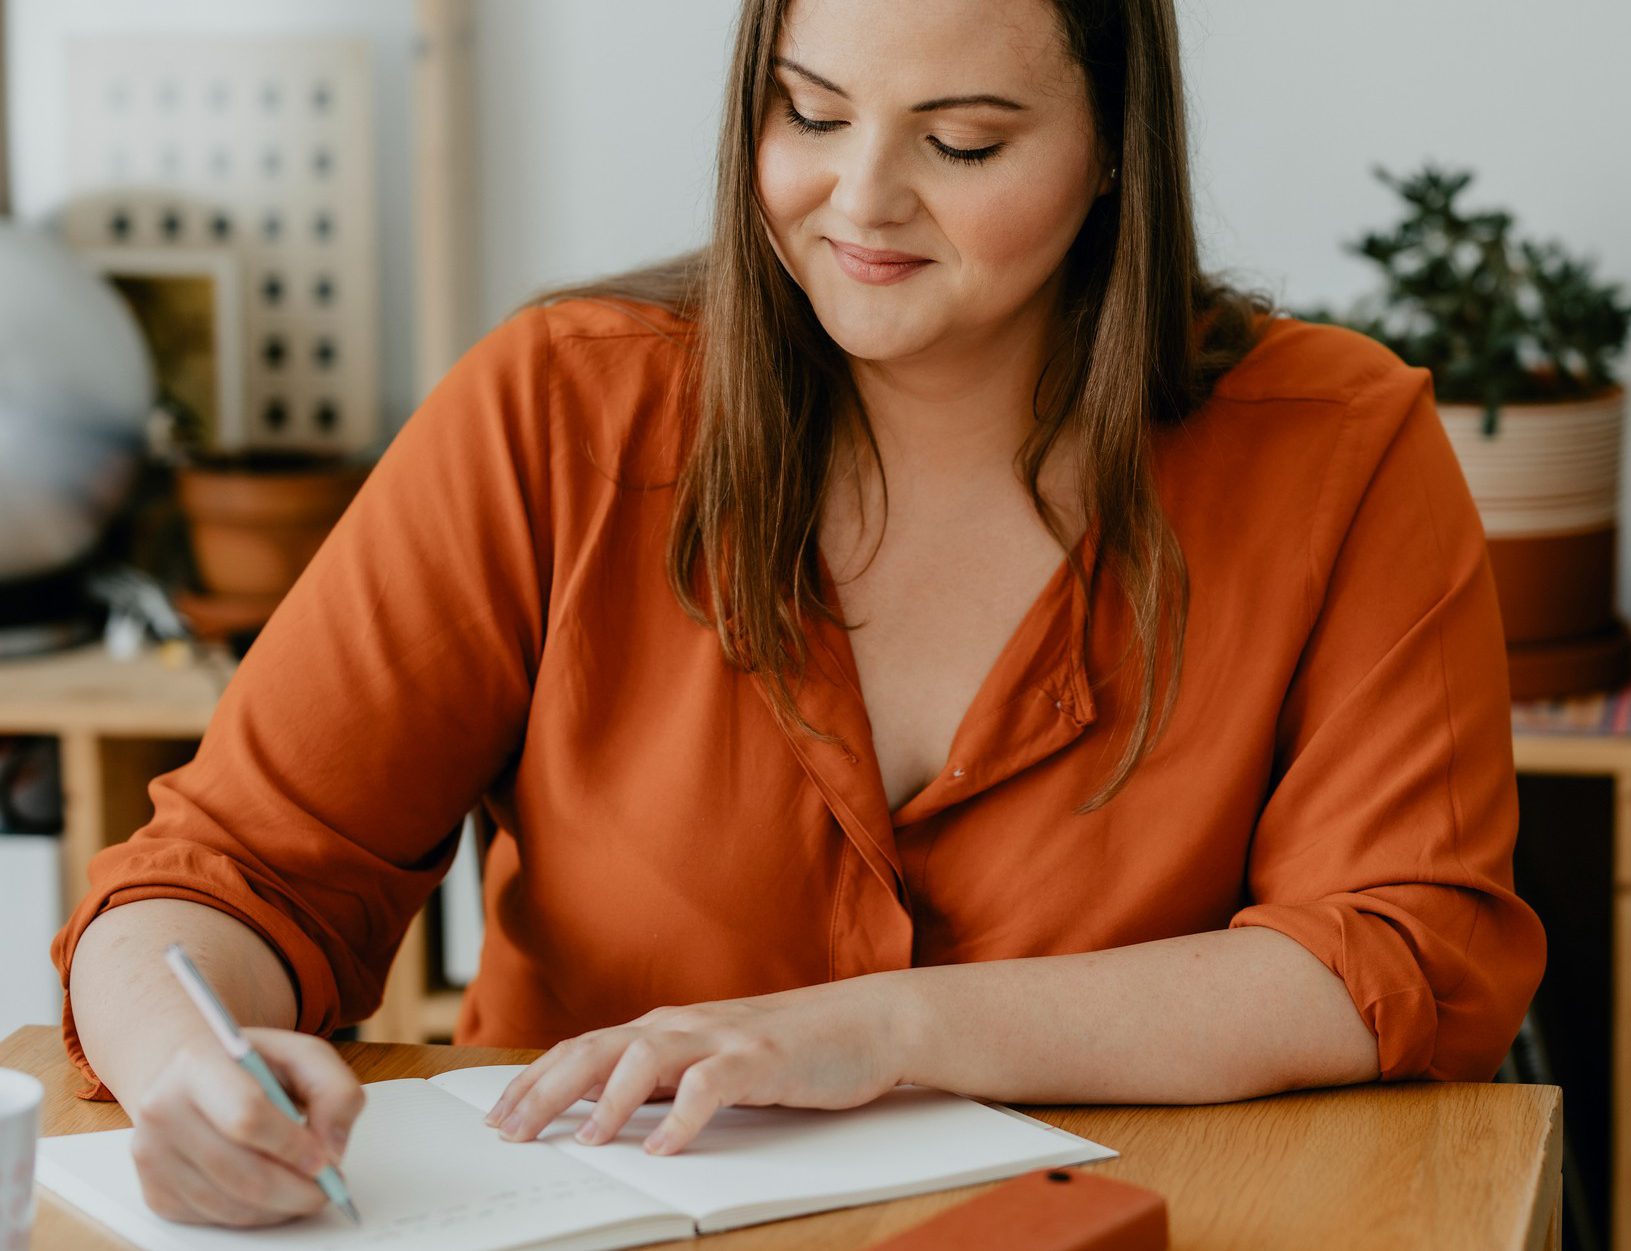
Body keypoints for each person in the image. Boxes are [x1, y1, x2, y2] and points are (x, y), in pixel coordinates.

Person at [52, 0, 1545, 1229]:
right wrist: (196, 1067)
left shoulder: (1336, 445)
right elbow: (227, 874)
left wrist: (872, 1031)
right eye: (808, 114)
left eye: (963, 140)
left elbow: (1399, 954)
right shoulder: (558, 409)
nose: (861, 199)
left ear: (1112, 154)